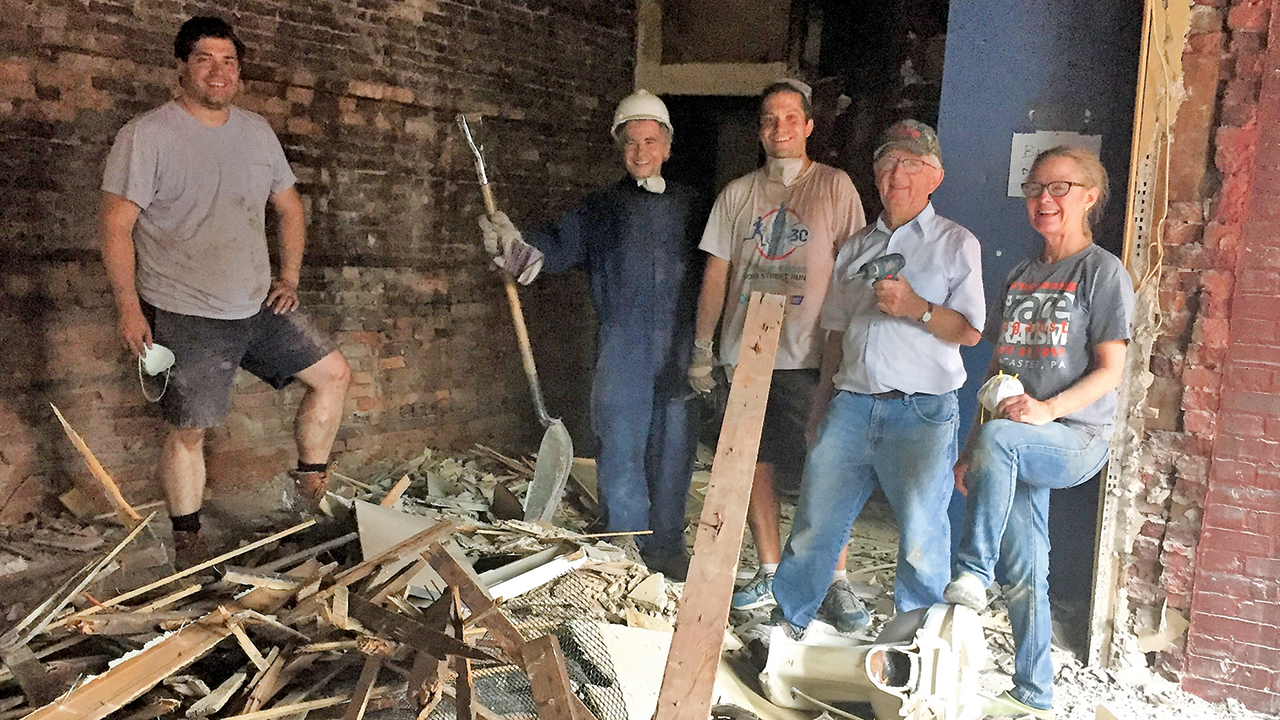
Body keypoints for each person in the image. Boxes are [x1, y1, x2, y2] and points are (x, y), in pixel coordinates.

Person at [99, 17, 351, 568]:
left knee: (333, 375)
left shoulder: (257, 132)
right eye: (205, 60)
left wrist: (290, 278)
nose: (219, 72)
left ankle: (310, 496)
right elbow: (116, 225)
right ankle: (188, 540)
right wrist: (128, 308)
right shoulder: (147, 135)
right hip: (186, 309)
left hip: (258, 302)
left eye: (229, 61)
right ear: (182, 68)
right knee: (190, 430)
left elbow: (289, 208)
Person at [478, 90, 705, 580]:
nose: (640, 152)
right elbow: (549, 251)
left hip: (681, 344)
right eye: (630, 142)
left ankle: (667, 549)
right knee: (620, 447)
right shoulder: (599, 209)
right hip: (623, 345)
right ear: (619, 148)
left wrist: (710, 347)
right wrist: (511, 242)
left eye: (650, 141)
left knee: (673, 450)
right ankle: (625, 553)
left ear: (667, 145)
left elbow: (725, 269)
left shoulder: (695, 207)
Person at [771, 120, 985, 634]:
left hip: (922, 412)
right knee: (815, 524)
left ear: (934, 176)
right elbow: (835, 336)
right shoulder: (858, 246)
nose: (897, 176)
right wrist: (820, 408)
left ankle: (913, 640)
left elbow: (971, 332)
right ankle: (788, 622)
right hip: (851, 404)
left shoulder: (957, 244)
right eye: (888, 164)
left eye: (912, 165)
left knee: (919, 534)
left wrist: (916, 307)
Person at [944, 146, 1134, 718]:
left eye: (1059, 188)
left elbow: (1112, 369)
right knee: (1027, 563)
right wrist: (973, 450)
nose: (1043, 199)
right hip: (1015, 434)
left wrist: (1048, 412)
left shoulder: (1102, 271)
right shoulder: (1021, 276)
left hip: (1075, 437)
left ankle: (971, 575)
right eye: (1034, 188)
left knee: (1005, 442)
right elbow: (1001, 379)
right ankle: (1035, 692)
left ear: (1090, 197)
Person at [689, 79, 867, 628]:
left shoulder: (836, 188)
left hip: (810, 355)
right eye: (769, 119)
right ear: (760, 129)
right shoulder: (737, 195)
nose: (779, 128)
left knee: (828, 468)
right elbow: (716, 273)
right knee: (753, 465)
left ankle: (833, 580)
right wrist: (702, 350)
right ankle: (769, 569)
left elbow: (856, 270)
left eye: (791, 118)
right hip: (745, 355)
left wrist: (850, 353)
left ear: (809, 126)